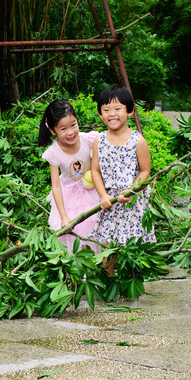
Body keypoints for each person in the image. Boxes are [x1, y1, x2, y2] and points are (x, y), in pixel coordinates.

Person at [90, 85, 156, 274]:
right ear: (100, 114)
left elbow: (145, 171)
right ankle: (108, 283)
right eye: (106, 110)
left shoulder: (138, 140)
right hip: (110, 202)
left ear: (129, 111)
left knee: (131, 247)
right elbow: (95, 171)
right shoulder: (99, 140)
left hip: (132, 202)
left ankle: (129, 284)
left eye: (118, 108)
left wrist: (132, 189)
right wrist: (103, 196)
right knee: (109, 248)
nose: (112, 114)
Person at [38, 99, 101, 251]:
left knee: (97, 225)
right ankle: (79, 269)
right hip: (69, 196)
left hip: (92, 188)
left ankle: (99, 268)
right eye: (63, 128)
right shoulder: (54, 152)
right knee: (74, 232)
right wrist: (63, 216)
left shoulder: (89, 140)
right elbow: (56, 186)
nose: (70, 132)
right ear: (53, 131)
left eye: (73, 125)